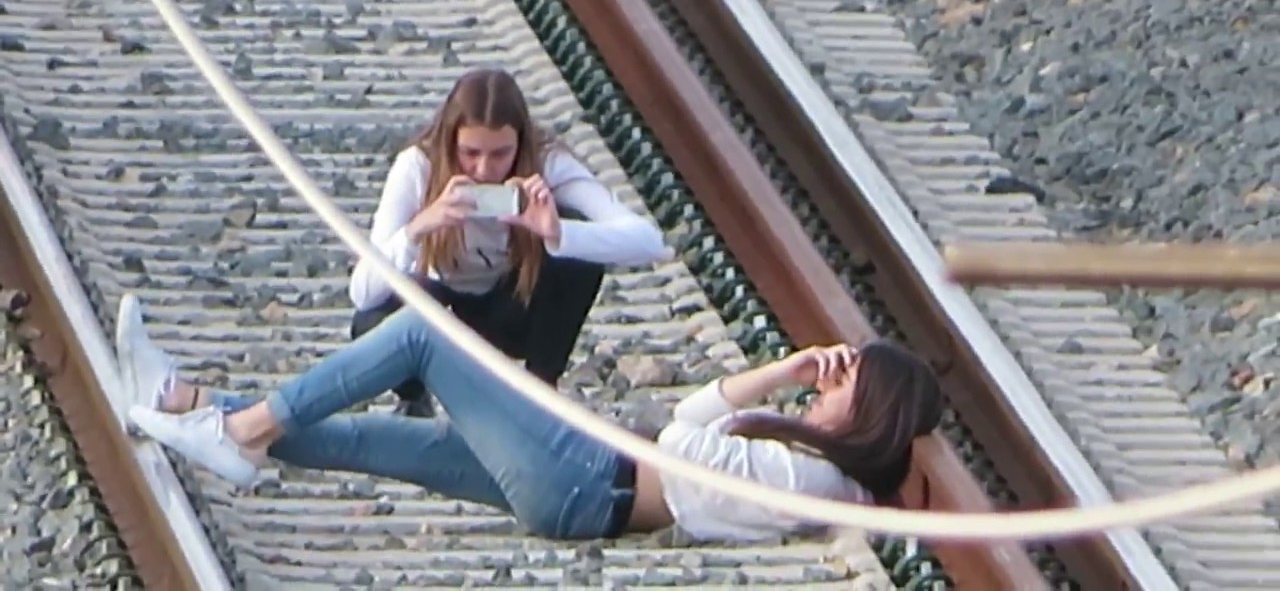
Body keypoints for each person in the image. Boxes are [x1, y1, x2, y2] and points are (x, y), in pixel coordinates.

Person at [118, 293, 944, 542]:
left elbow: (686, 443)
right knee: (380, 441)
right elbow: (691, 422)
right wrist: (783, 371)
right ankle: (189, 408)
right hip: (589, 476)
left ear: (866, 407)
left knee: (419, 336)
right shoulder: (815, 475)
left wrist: (768, 402)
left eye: (840, 382)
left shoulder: (808, 475)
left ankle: (238, 429)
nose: (821, 389)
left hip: (588, 477)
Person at [347, 67, 669, 417]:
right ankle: (414, 395)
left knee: (578, 239)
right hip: (438, 311)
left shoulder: (548, 162)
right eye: (469, 153)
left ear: (520, 144)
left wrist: (557, 233)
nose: (484, 170)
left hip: (506, 312)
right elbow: (363, 294)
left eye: (500, 154)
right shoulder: (417, 166)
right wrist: (420, 227)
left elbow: (649, 241)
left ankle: (540, 393)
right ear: (450, 141)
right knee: (375, 320)